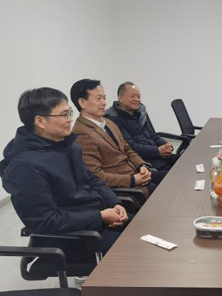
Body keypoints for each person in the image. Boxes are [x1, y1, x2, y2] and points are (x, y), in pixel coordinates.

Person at [0, 87, 130, 255]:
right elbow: (45, 221)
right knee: (140, 250)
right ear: (40, 121)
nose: (70, 119)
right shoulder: (24, 166)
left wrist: (114, 203)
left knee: (147, 228)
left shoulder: (67, 145)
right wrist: (100, 216)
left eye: (70, 113)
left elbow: (91, 178)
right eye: (64, 115)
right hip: (75, 240)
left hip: (96, 221)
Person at [70, 79, 161, 196]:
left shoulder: (108, 122)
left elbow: (127, 148)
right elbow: (96, 175)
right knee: (169, 193)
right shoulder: (81, 134)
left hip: (136, 173)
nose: (104, 103)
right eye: (98, 99)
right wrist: (132, 180)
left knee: (172, 178)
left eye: (104, 98)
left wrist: (142, 165)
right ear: (82, 102)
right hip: (127, 188)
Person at [105, 81, 178, 173]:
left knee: (188, 161)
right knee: (178, 174)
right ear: (120, 98)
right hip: (144, 162)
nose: (137, 99)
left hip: (159, 155)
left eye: (138, 97)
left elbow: (153, 135)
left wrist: (166, 145)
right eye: (132, 96)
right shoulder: (112, 118)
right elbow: (131, 148)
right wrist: (157, 151)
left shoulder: (140, 112)